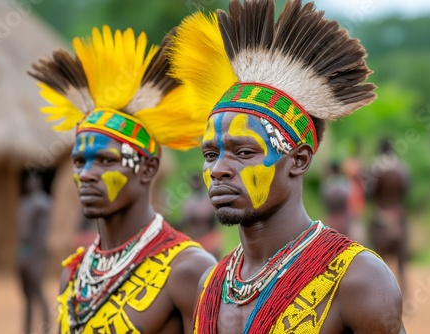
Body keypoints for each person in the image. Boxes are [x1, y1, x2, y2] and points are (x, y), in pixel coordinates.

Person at [168, 0, 406, 333]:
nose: (219, 168)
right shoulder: (210, 284)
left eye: (245, 152)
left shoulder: (358, 280)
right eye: (211, 155)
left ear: (299, 160)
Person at [29, 26, 216, 333]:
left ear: (147, 168)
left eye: (106, 160)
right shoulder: (75, 274)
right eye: (79, 161)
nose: (86, 174)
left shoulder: (188, 270)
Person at [368, 137, 411, 295]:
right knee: (402, 263)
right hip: (399, 214)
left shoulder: (376, 168)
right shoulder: (402, 168)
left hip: (380, 214)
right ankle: (405, 295)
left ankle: (383, 295)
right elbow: (407, 190)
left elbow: (369, 193)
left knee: (379, 261)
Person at [17, 171, 51, 334]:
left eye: (33, 180)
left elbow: (41, 233)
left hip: (34, 255)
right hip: (23, 251)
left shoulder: (42, 204)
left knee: (38, 291)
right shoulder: (24, 203)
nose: (30, 183)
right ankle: (27, 329)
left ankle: (46, 327)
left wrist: (34, 256)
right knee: (27, 296)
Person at [179, 172, 223, 259]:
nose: (195, 185)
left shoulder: (209, 200)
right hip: (196, 239)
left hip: (210, 239)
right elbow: (185, 221)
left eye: (197, 181)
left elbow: (216, 220)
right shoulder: (189, 202)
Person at [321, 162, 351, 237]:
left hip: (331, 217)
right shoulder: (344, 182)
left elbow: (324, 200)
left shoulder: (327, 183)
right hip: (343, 218)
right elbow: (347, 199)